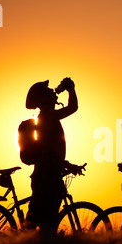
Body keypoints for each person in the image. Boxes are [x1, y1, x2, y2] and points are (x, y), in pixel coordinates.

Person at [24, 77, 84, 231]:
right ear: (43, 99)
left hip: (47, 174)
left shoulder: (47, 117)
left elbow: (50, 152)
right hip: (47, 177)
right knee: (44, 223)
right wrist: (71, 89)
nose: (53, 91)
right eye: (48, 90)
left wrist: (67, 164)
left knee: (41, 220)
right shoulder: (48, 117)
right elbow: (73, 107)